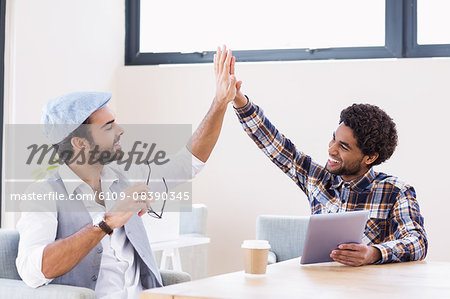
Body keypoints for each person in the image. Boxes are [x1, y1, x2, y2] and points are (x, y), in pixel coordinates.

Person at [15, 48, 237, 298]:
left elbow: (189, 163)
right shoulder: (42, 194)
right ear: (80, 143)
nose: (120, 130)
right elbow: (33, 272)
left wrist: (220, 103)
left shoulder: (125, 175)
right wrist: (107, 221)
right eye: (108, 127)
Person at [215, 46, 427, 266]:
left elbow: (417, 241)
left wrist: (374, 252)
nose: (331, 150)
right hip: (321, 287)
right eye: (333, 139)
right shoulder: (318, 179)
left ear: (370, 158)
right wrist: (237, 98)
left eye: (343, 147)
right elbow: (273, 142)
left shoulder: (395, 191)